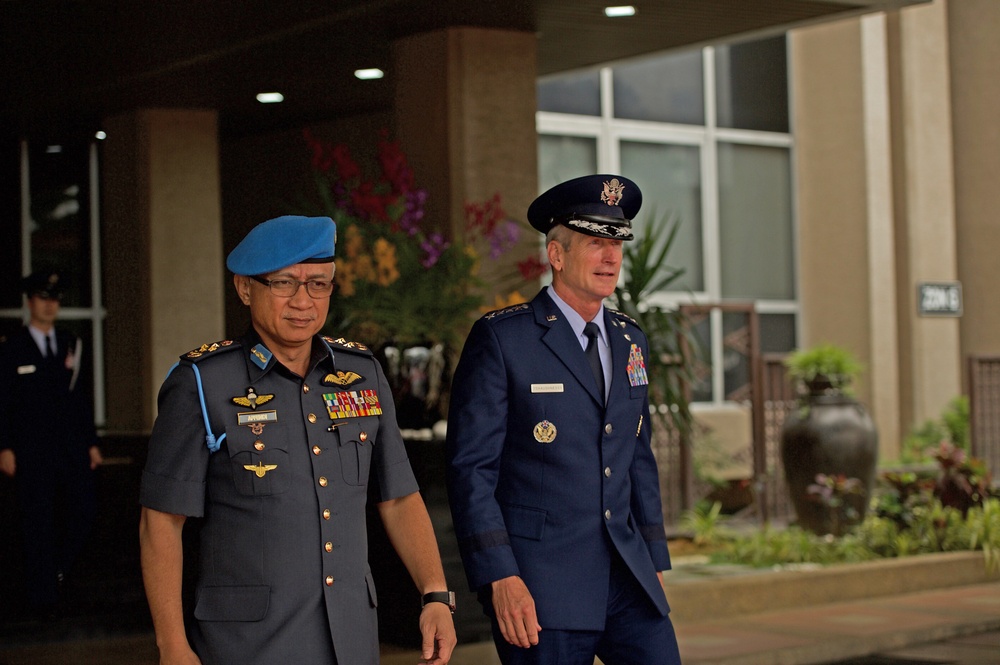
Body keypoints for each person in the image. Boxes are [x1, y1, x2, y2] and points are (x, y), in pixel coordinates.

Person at [139, 215, 457, 665]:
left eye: (319, 284)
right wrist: (171, 645)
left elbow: (399, 498)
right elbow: (161, 522)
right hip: (246, 646)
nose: (303, 301)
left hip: (350, 639)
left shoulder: (361, 375)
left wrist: (435, 594)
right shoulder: (201, 384)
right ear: (245, 288)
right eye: (285, 283)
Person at [445, 175, 682, 665]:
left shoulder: (630, 339)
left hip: (629, 580)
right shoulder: (504, 340)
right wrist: (499, 577)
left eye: (616, 244)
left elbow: (638, 454)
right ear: (557, 255)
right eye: (596, 244)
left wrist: (654, 559)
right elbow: (471, 471)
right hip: (540, 586)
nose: (611, 258)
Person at [0, 270, 103, 618]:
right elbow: (3, 402)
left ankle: (60, 572)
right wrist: (4, 447)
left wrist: (90, 443)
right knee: (38, 519)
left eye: (55, 299)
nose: (50, 305)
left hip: (70, 448)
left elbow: (80, 400)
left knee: (82, 511)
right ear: (30, 302)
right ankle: (43, 597)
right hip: (31, 451)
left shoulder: (70, 343)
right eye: (44, 298)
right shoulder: (12, 348)